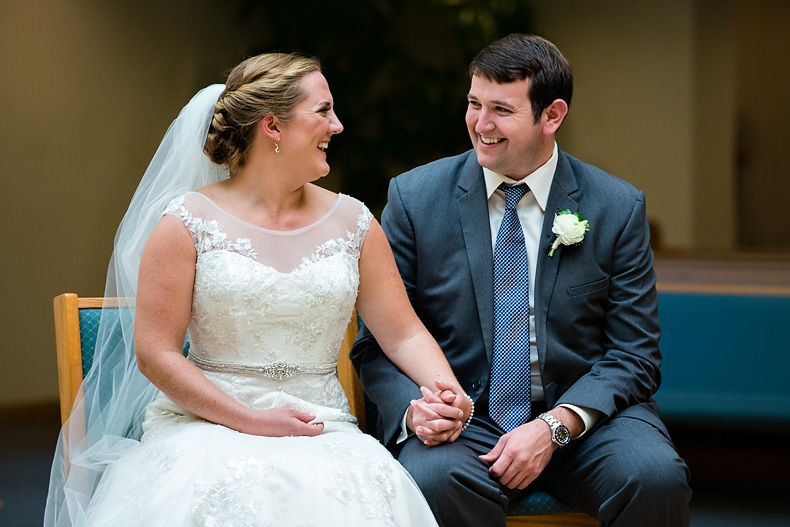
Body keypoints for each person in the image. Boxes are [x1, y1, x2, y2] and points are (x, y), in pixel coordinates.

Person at [44, 52, 473, 527]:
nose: (338, 125)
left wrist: (448, 393)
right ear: (273, 125)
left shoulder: (354, 223)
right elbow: (155, 354)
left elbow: (403, 334)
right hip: (204, 426)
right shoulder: (185, 222)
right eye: (323, 110)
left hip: (322, 429)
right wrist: (251, 421)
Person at [351, 34, 692, 526]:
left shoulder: (616, 207)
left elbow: (634, 355)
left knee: (654, 477)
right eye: (473, 104)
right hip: (463, 422)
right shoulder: (414, 199)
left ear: (552, 116)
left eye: (501, 110)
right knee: (431, 481)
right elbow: (377, 345)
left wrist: (555, 426)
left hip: (585, 419)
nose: (480, 124)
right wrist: (413, 410)